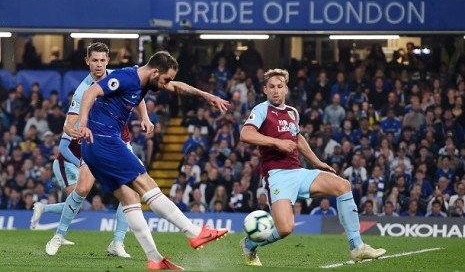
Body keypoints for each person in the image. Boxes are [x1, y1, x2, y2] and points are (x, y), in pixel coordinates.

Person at [77, 51, 229, 270]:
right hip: (103, 140)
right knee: (147, 185)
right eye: (165, 79)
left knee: (130, 199)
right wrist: (82, 123)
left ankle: (154, 258)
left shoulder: (144, 80)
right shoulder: (126, 77)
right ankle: (194, 233)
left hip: (93, 148)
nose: (167, 84)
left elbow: (177, 87)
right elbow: (91, 91)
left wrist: (206, 96)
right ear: (155, 72)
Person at [239, 68, 385, 267]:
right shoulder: (262, 109)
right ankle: (249, 244)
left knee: (343, 186)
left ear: (286, 90)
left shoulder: (293, 112)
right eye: (271, 87)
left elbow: (297, 138)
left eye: (280, 87)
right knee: (285, 228)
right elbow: (246, 134)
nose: (276, 91)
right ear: (265, 89)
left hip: (298, 172)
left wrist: (317, 162)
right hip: (277, 176)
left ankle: (357, 247)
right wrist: (277, 143)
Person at [38, 42, 145, 258]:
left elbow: (139, 91)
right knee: (83, 188)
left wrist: (145, 117)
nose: (98, 64)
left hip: (121, 143)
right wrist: (73, 131)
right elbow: (68, 124)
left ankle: (117, 243)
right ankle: (58, 235)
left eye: (102, 60)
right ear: (87, 61)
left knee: (132, 192)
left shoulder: (119, 77)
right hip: (95, 144)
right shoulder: (83, 91)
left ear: (108, 61)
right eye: (94, 60)